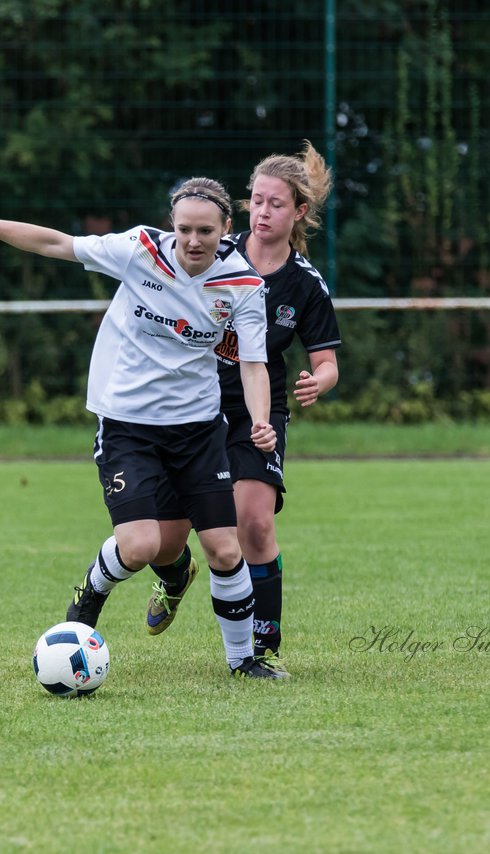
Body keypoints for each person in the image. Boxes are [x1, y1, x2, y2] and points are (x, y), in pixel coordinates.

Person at [0, 178, 287, 678]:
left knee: (224, 549)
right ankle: (89, 598)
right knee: (140, 547)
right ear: (172, 225)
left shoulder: (244, 286)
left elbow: (253, 364)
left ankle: (242, 662)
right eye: (184, 228)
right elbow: (55, 242)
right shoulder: (139, 250)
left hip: (198, 430)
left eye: (205, 230)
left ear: (227, 228)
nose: (192, 240)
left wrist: (257, 422)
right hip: (128, 424)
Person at [141, 142, 341, 678]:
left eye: (276, 203)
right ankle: (175, 573)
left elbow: (326, 362)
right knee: (163, 539)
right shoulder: (213, 250)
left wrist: (316, 382)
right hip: (191, 407)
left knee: (253, 524)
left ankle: (261, 647)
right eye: (255, 201)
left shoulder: (304, 284)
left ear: (298, 212)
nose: (262, 211)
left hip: (259, 410)